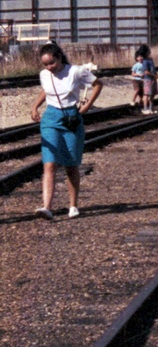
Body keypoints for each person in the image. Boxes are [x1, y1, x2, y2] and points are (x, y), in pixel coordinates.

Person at [30, 41, 102, 220]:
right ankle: (46, 207)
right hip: (50, 119)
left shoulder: (75, 71)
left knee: (71, 165)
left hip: (71, 118)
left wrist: (87, 107)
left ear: (60, 57)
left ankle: (73, 205)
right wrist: (35, 107)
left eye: (51, 63)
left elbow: (98, 84)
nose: (49, 67)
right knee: (49, 163)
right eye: (45, 64)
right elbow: (46, 90)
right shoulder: (44, 75)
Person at [133, 44, 157, 115]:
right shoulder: (145, 61)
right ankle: (145, 108)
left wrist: (155, 75)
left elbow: (153, 69)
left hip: (152, 79)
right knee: (146, 94)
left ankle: (151, 108)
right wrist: (154, 75)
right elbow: (146, 71)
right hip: (148, 79)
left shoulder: (150, 60)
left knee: (152, 94)